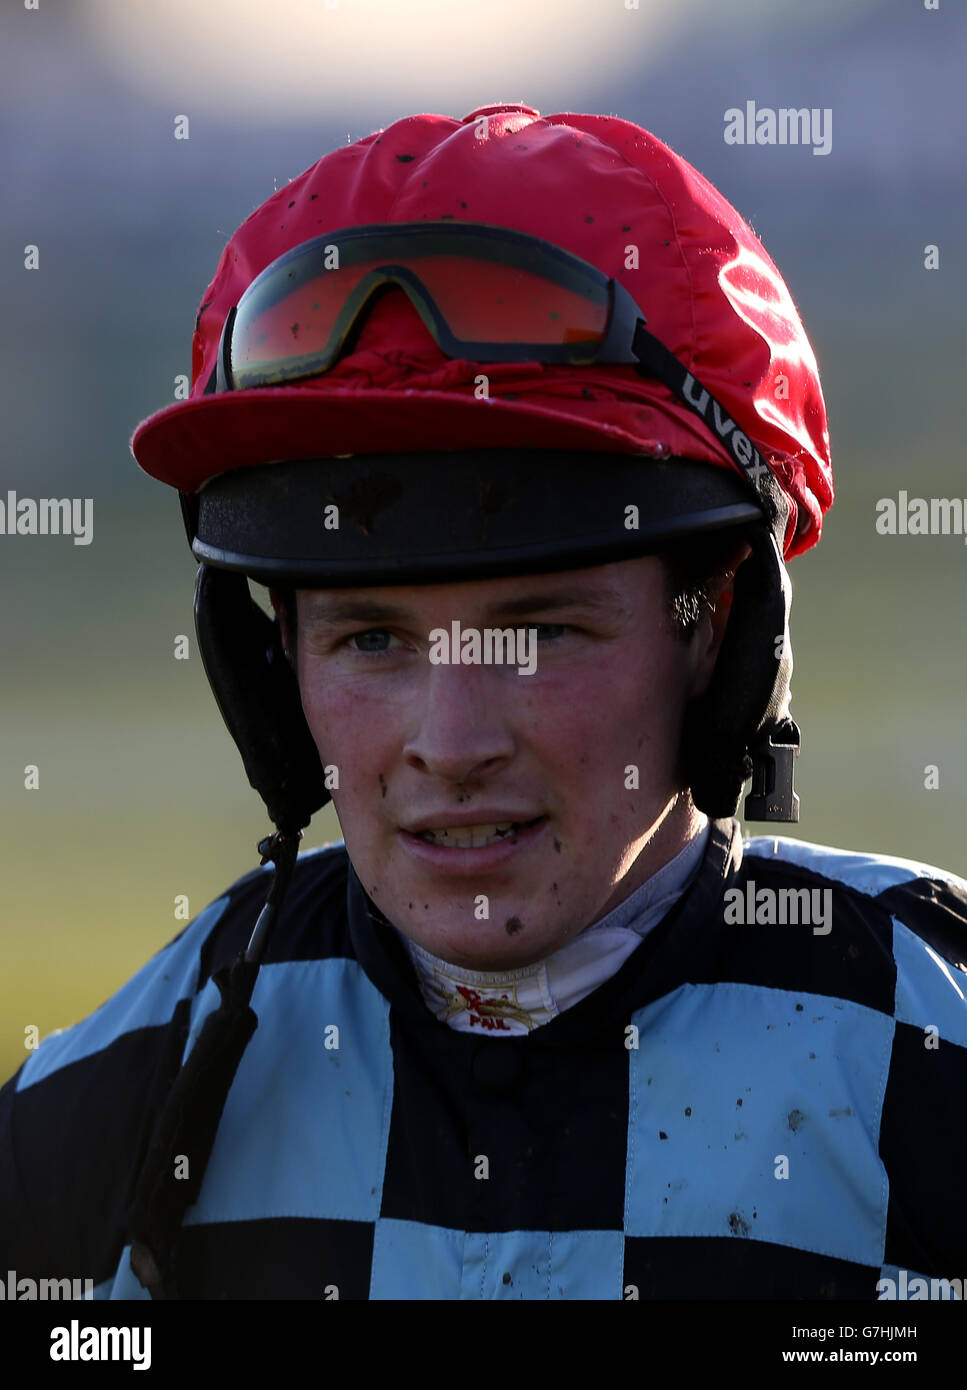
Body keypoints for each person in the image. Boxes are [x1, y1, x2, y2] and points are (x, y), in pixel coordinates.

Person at [2, 102, 965, 1303]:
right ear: (269, 669)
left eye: (540, 633)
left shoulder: (931, 1056)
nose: (449, 746)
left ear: (719, 630)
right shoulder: (116, 1099)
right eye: (369, 638)